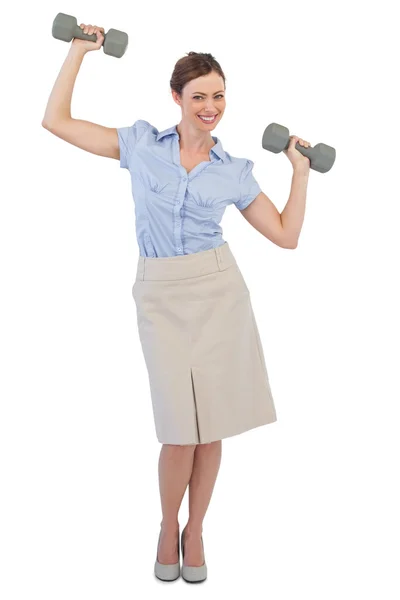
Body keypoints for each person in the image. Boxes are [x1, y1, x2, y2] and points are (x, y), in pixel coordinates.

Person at [42, 23, 311, 584]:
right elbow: (57, 122)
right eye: (199, 97)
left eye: (218, 96)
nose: (210, 107)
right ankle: (168, 527)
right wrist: (79, 52)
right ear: (176, 98)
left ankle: (197, 530)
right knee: (177, 430)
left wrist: (300, 172)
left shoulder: (234, 171)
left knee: (209, 427)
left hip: (218, 293)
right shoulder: (141, 145)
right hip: (160, 293)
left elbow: (285, 236)